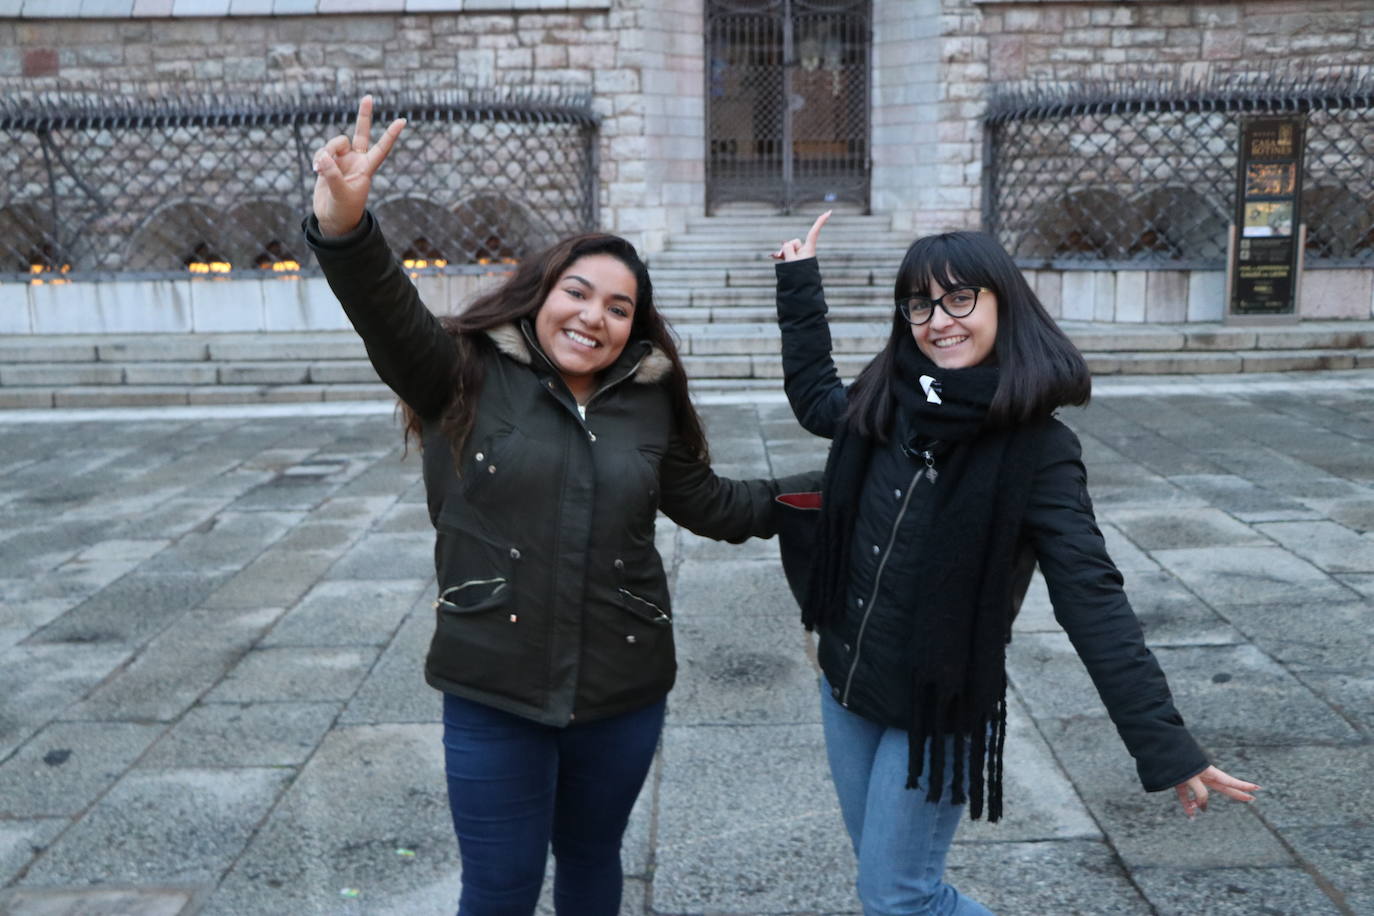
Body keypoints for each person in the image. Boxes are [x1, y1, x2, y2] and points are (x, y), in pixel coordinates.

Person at [304, 96, 808, 916]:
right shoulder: (459, 373)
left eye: (619, 308)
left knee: (589, 864)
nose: (595, 317)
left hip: (623, 687)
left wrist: (833, 486)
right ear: (541, 291)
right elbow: (383, 308)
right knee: (499, 890)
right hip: (493, 685)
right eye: (580, 292)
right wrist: (347, 220)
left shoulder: (649, 398)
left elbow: (712, 503)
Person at [770, 213, 1259, 916]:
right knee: (887, 879)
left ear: (1003, 301)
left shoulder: (1038, 449)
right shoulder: (889, 398)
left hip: (935, 705)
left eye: (960, 299)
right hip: (846, 682)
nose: (939, 321)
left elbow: (1091, 596)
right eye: (920, 304)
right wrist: (798, 281)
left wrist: (1164, 741)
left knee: (897, 895)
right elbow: (816, 394)